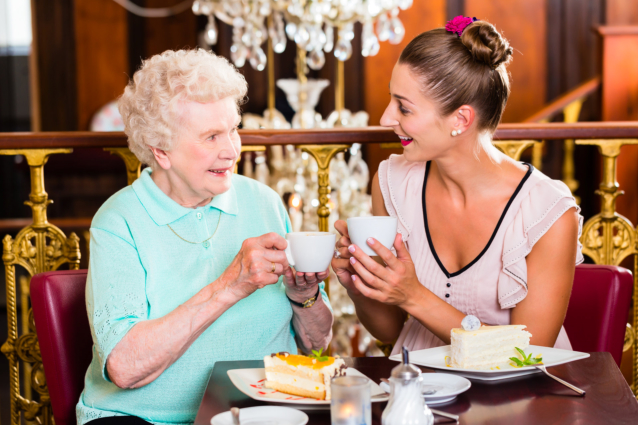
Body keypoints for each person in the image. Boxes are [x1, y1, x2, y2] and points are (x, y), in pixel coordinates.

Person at [78, 49, 333, 424]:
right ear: (160, 150)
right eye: (211, 136)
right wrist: (231, 284)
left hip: (259, 413)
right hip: (144, 419)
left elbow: (317, 346)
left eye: (232, 129)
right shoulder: (119, 221)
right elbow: (125, 368)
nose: (231, 150)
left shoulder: (263, 202)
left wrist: (305, 297)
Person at [332, 17, 582, 356]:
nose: (386, 119)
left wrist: (413, 295)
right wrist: (361, 285)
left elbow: (531, 351)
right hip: (419, 391)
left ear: (460, 120)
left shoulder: (547, 211)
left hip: (519, 398)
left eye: (404, 107)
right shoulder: (391, 183)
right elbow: (390, 330)